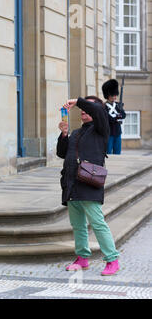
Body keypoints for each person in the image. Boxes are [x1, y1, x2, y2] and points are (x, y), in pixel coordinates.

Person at [57, 96, 120, 276]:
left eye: (89, 107)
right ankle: (82, 258)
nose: (84, 110)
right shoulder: (77, 132)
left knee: (98, 223)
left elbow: (99, 111)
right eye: (83, 108)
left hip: (89, 182)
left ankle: (112, 259)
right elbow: (62, 153)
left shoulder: (101, 129)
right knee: (78, 225)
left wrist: (78, 100)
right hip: (71, 183)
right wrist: (64, 134)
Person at [102, 79, 126, 154]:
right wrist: (117, 117)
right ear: (108, 96)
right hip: (109, 133)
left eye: (115, 95)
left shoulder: (118, 105)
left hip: (117, 132)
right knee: (108, 152)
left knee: (117, 152)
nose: (115, 97)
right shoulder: (104, 106)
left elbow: (124, 115)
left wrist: (120, 110)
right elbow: (108, 119)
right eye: (113, 95)